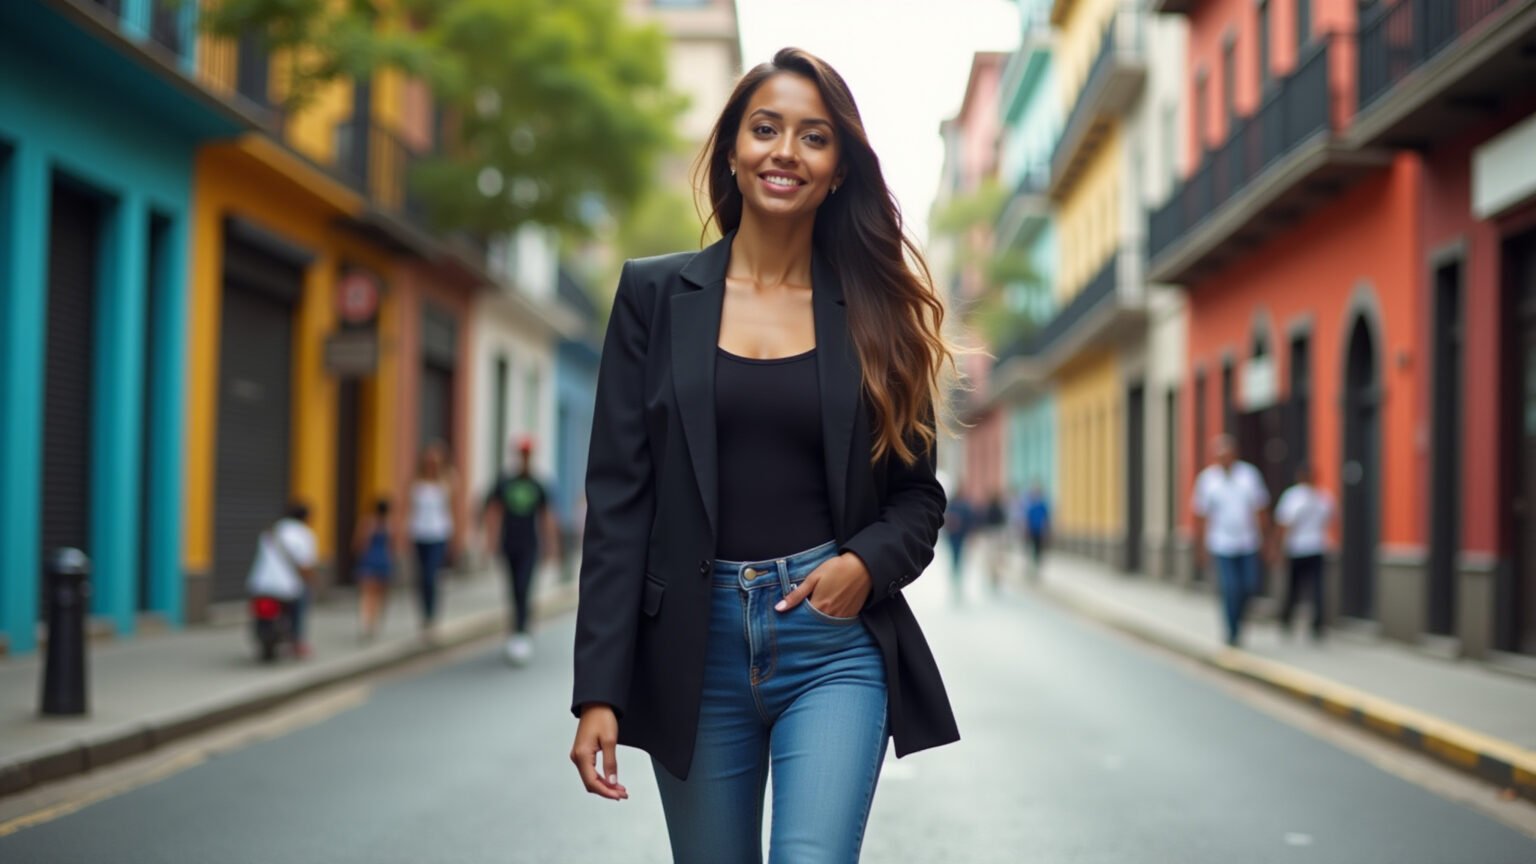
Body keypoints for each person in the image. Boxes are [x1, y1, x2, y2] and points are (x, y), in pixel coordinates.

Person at [568, 48, 960, 864]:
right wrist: (598, 689)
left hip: (832, 645)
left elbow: (918, 497)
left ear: (839, 170)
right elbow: (619, 504)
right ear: (732, 151)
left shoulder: (878, 315)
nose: (786, 151)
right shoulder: (652, 297)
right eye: (766, 129)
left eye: (814, 137)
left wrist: (864, 565)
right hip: (692, 649)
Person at [483, 436, 559, 665]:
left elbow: (546, 516)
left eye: (528, 454)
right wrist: (491, 540)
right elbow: (494, 510)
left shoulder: (538, 484)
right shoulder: (505, 482)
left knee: (525, 586)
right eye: (522, 454)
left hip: (530, 546)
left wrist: (550, 546)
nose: (524, 458)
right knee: (513, 588)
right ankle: (516, 629)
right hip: (509, 544)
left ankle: (522, 632)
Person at [1191, 435, 1271, 647]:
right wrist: (1199, 546)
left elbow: (1260, 508)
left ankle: (1240, 618)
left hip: (1248, 542)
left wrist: (1266, 539)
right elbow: (1201, 515)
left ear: (1235, 455)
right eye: (1220, 457)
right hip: (1221, 543)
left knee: (1249, 585)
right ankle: (1232, 630)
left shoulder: (1249, 476)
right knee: (1230, 587)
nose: (1224, 460)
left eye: (1228, 456)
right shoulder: (1207, 481)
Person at [246, 503, 318, 658]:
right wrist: (310, 581)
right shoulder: (304, 534)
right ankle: (298, 642)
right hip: (287, 586)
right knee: (302, 600)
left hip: (260, 583)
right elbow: (305, 565)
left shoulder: (271, 531)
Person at [1274, 463, 1334, 641]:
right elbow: (1331, 521)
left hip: (1300, 548)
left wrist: (1279, 547)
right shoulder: (1323, 498)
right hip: (1313, 547)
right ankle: (1315, 625)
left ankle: (1289, 620)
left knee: (1296, 588)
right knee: (1314, 588)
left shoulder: (1294, 497)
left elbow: (1284, 524)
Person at [408, 441, 455, 635]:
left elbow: (452, 509)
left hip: (438, 534)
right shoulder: (416, 482)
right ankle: (424, 615)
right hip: (419, 533)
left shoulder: (446, 482)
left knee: (431, 575)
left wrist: (454, 535)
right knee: (421, 576)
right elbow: (407, 508)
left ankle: (432, 614)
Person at [353, 498, 394, 641]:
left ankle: (366, 622)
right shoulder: (389, 525)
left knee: (367, 594)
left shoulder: (368, 523)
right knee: (379, 595)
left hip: (369, 559)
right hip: (383, 560)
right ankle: (374, 623)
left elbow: (359, 543)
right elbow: (392, 546)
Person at [943, 495, 975, 595]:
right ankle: (956, 575)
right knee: (956, 556)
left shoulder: (962, 505)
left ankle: (957, 574)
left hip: (960, 535)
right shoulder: (954, 505)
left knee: (958, 556)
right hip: (954, 536)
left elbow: (969, 520)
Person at [1021, 483, 1051, 580]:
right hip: (1031, 531)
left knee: (1039, 550)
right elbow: (1026, 519)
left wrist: (1046, 530)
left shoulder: (1042, 505)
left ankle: (1037, 568)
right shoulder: (1030, 505)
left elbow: (1046, 519)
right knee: (1030, 549)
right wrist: (1026, 530)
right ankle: (1030, 567)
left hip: (1039, 531)